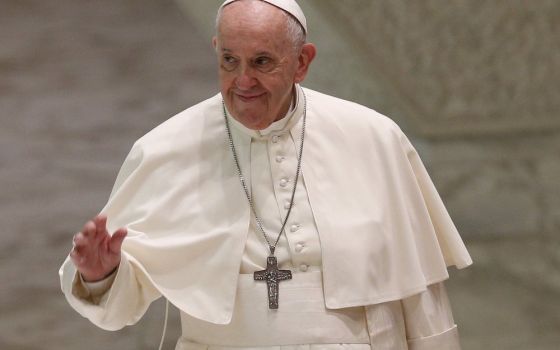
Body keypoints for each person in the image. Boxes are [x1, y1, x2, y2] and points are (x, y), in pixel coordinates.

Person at [59, 0, 473, 349]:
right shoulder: (165, 148)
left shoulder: (373, 137)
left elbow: (420, 288)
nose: (243, 81)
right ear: (216, 50)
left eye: (261, 62)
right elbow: (120, 306)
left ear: (302, 62)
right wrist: (102, 275)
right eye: (229, 61)